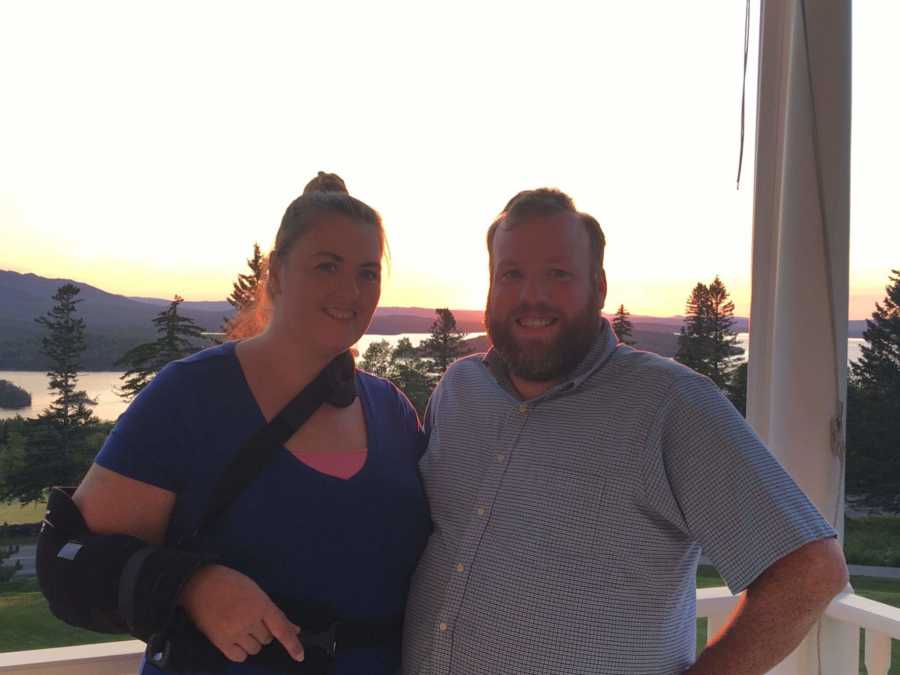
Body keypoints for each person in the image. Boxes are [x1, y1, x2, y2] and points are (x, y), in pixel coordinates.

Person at [402, 188, 848, 674]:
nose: (533, 296)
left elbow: (809, 571)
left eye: (558, 273)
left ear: (598, 287)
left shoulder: (669, 402)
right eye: (512, 274)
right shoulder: (460, 390)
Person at [71, 173, 430, 674]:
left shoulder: (391, 411)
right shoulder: (191, 396)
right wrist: (190, 585)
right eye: (327, 266)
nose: (350, 291)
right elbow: (70, 562)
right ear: (278, 273)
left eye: (368, 273)